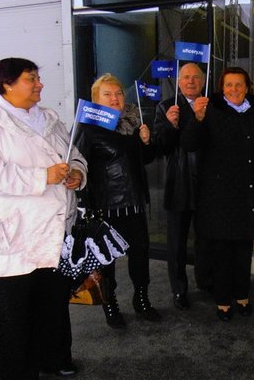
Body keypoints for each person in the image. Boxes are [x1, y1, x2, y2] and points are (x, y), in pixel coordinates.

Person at [0, 57, 87, 379]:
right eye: (31, 78)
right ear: (7, 83)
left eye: (37, 78)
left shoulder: (49, 119)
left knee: (52, 304)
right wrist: (42, 176)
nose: (40, 84)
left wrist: (76, 173)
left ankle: (54, 358)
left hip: (54, 232)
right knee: (13, 316)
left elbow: (74, 155)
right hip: (13, 237)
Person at [181, 67, 254, 321]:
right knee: (221, 252)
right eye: (229, 85)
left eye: (239, 84)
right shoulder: (210, 111)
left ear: (247, 87)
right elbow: (188, 143)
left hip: (248, 194)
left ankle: (242, 295)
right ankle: (223, 300)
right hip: (219, 196)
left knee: (243, 250)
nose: (234, 89)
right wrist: (197, 119)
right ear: (222, 88)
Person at [74, 73, 160, 328]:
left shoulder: (133, 123)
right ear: (96, 100)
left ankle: (141, 299)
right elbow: (78, 167)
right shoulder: (87, 128)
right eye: (107, 94)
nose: (115, 98)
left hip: (134, 203)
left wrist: (146, 142)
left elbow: (145, 159)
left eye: (119, 93)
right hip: (105, 207)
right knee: (107, 261)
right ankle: (110, 305)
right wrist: (84, 206)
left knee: (140, 255)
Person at [152, 62, 210, 310]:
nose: (190, 81)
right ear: (178, 81)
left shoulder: (211, 105)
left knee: (206, 239)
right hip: (179, 182)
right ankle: (179, 289)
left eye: (196, 77)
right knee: (176, 242)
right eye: (185, 77)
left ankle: (206, 281)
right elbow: (160, 148)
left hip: (208, 183)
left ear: (203, 81)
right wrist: (170, 126)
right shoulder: (166, 107)